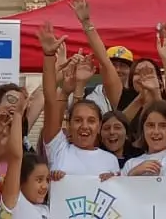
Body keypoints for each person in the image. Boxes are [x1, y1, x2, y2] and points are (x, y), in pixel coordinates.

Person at [37, 22, 121, 179]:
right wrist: (49, 56)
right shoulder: (58, 148)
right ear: (68, 124)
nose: (84, 126)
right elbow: (49, 99)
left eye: (91, 121)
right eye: (77, 120)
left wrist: (114, 181)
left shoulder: (111, 160)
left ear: (99, 125)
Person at [119, 24, 166, 177]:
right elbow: (121, 197)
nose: (156, 132)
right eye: (150, 125)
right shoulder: (131, 165)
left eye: (163, 126)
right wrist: (133, 174)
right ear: (142, 129)